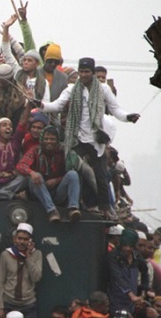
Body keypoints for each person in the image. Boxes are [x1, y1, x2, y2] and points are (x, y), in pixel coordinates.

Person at [38, 57, 140, 219]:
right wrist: (41, 105)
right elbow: (57, 105)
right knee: (73, 170)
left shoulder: (103, 89)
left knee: (100, 176)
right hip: (77, 139)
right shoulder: (72, 89)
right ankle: (75, 204)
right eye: (81, 72)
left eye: (87, 72)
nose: (84, 75)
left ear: (92, 73)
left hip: (96, 140)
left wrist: (128, 117)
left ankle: (106, 209)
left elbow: (115, 109)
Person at [16, 125, 81, 222]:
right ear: (42, 140)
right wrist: (32, 172)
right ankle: (52, 211)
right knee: (37, 177)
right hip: (39, 192)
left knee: (73, 174)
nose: (49, 141)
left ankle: (73, 208)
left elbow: (73, 167)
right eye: (46, 139)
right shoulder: (35, 150)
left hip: (57, 192)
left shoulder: (64, 151)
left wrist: (56, 180)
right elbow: (21, 165)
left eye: (52, 139)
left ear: (57, 140)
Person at [0, 223, 43, 318]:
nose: (22, 242)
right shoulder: (6, 254)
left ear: (30, 240)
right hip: (9, 302)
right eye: (19, 238)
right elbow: (0, 281)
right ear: (14, 239)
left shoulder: (37, 254)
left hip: (28, 304)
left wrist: (29, 257)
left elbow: (36, 278)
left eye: (25, 239)